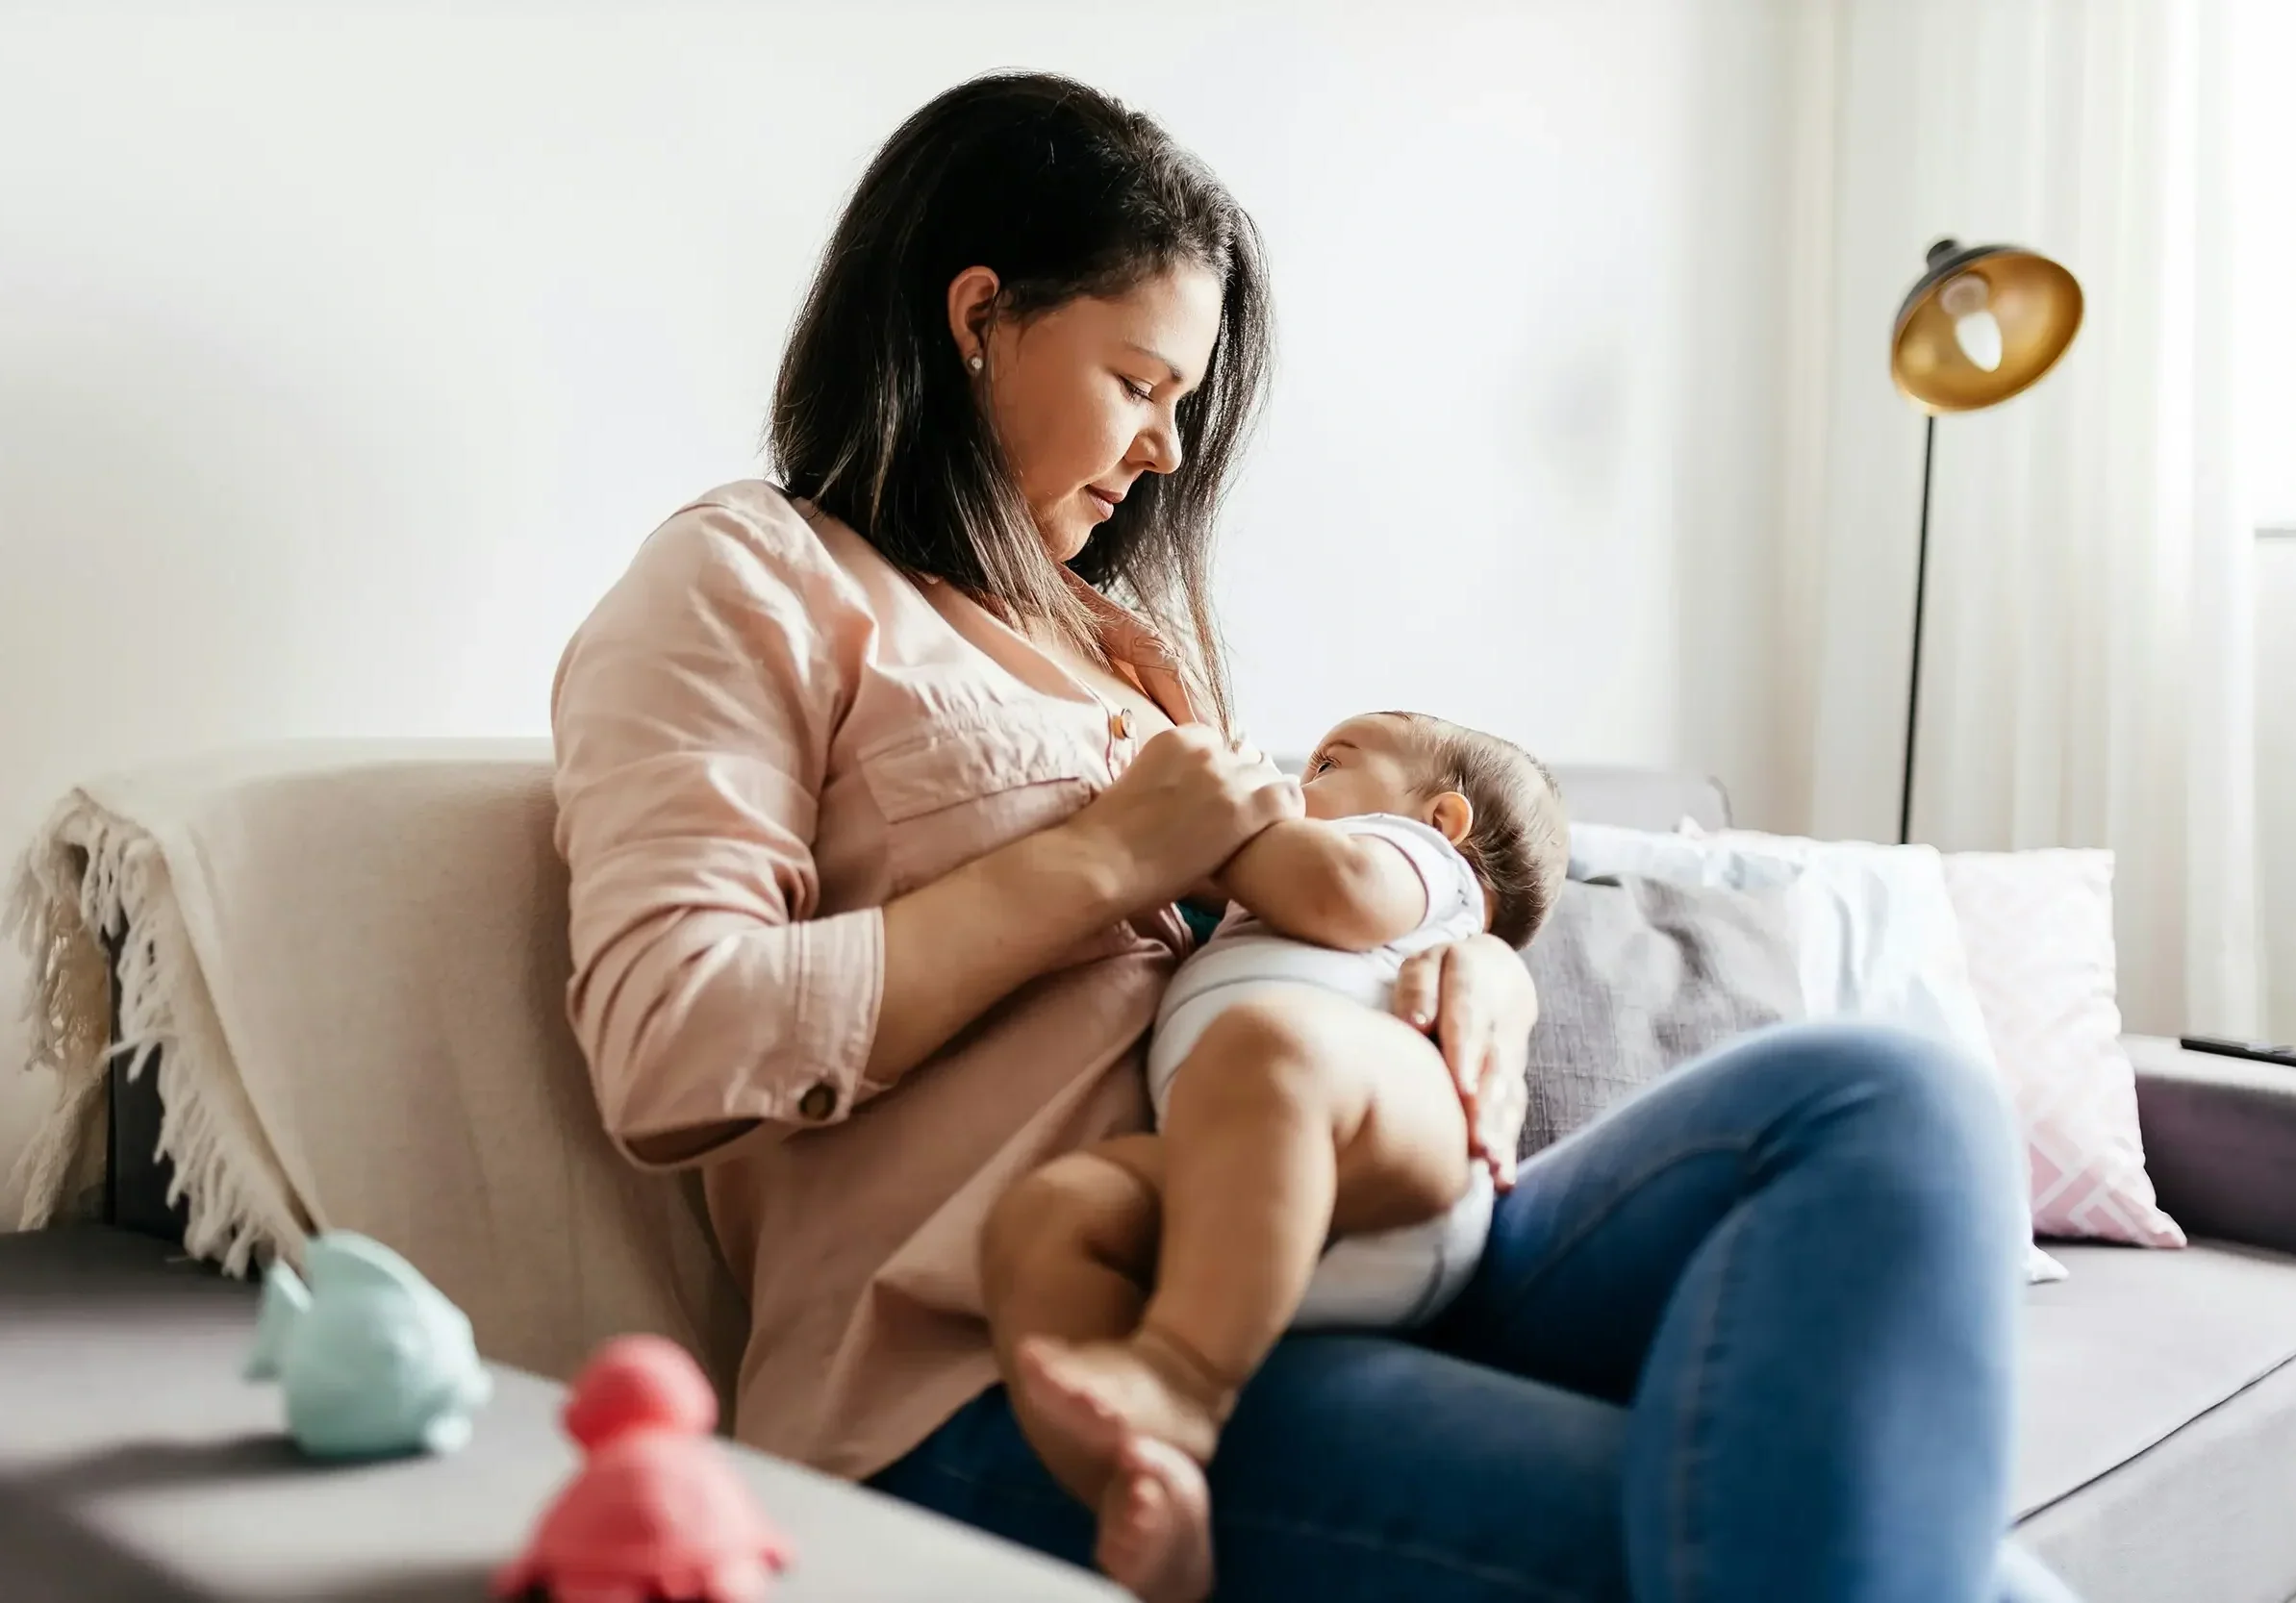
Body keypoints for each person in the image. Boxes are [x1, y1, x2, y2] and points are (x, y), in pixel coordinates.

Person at [550, 70, 2080, 1603]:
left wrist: (1476, 962)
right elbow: (672, 1038)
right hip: (1008, 1359)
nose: (1167, 447)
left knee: (1893, 1099)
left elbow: (1291, 928)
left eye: (1184, 403)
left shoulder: (1128, 653)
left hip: (1332, 1246)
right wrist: (1097, 862)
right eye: (1141, 381)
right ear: (979, 316)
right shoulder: (753, 578)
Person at [986, 712, 1570, 1601]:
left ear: (1442, 817)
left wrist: (1206, 826)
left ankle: (1180, 1378)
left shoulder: (1418, 866)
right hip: (1243, 1209)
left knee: (1272, 1046)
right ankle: (1140, 1484)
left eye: (1330, 762)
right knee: (1057, 1210)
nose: (1297, 781)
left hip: (1392, 1140)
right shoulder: (1256, 906)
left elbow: (1337, 889)